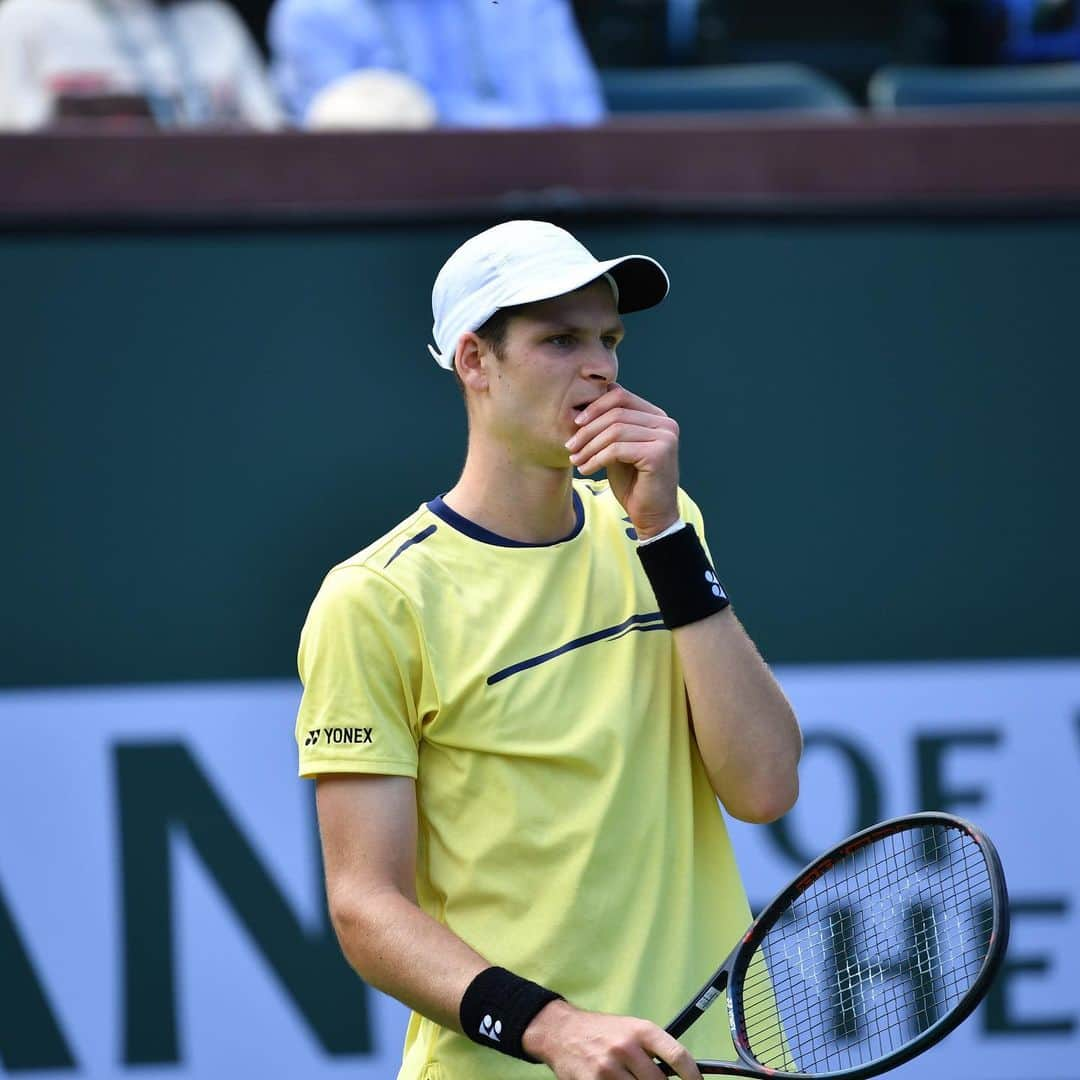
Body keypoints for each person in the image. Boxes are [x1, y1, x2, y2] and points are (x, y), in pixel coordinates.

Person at [295, 220, 802, 1080]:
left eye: (608, 339)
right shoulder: (376, 599)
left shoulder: (666, 533)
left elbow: (765, 787)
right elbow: (365, 906)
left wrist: (667, 538)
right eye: (559, 339)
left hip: (712, 1061)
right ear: (474, 362)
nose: (600, 365)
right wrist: (551, 1028)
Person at [269, 0, 605, 128]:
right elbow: (344, 157)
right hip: (392, 234)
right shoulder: (312, 12)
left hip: (539, 213)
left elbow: (581, 124)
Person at [0, 0, 281, 130]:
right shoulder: (27, 18)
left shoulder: (214, 20)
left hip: (214, 223)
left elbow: (273, 148)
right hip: (77, 230)